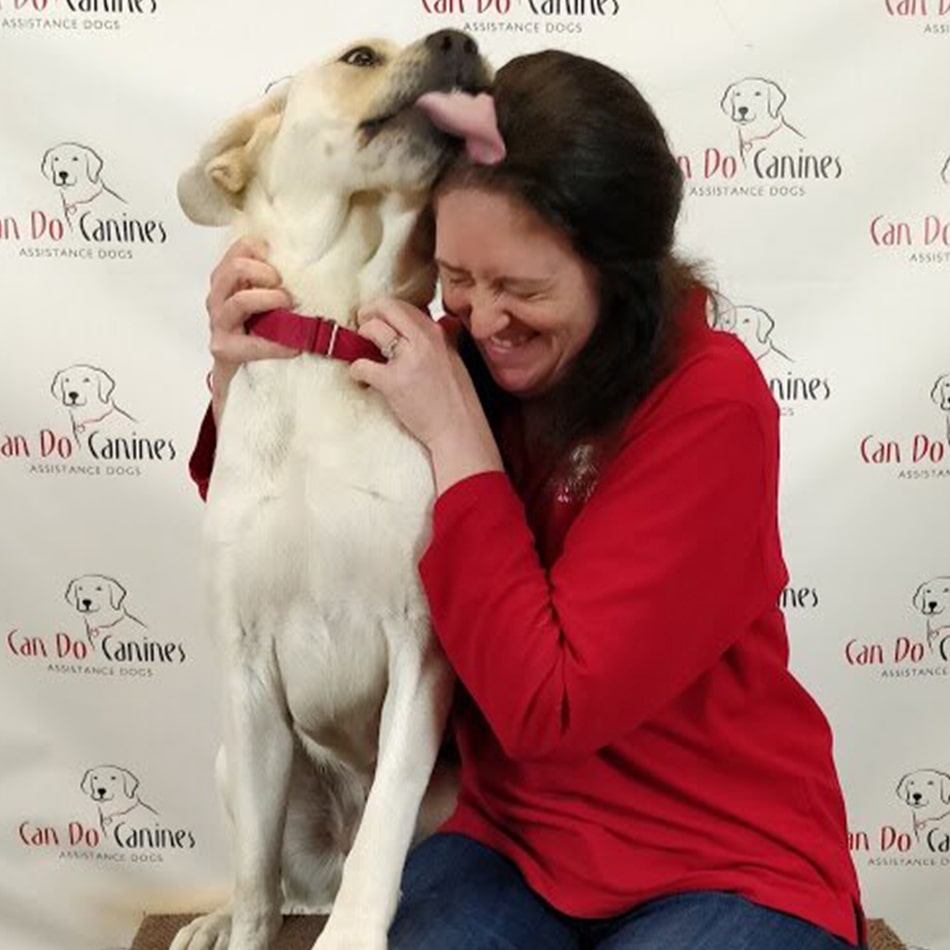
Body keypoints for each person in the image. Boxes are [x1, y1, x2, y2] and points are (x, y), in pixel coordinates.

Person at [190, 50, 865, 950]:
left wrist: (460, 443)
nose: (482, 317)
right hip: (510, 844)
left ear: (619, 270)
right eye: (458, 277)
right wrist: (241, 370)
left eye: (523, 287)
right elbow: (296, 546)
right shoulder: (461, 354)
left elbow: (551, 707)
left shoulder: (713, 402)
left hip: (718, 856)